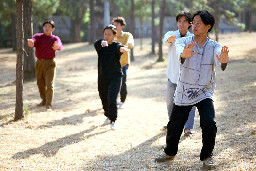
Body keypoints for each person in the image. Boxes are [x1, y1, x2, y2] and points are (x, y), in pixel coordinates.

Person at [155, 10, 229, 168]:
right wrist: (184, 54)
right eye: (193, 22)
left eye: (198, 23)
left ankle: (207, 156)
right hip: (185, 89)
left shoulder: (215, 46)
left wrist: (223, 61)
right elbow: (180, 51)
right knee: (175, 124)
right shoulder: (184, 41)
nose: (194, 25)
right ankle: (169, 152)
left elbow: (219, 58)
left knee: (209, 123)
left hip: (204, 91)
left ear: (208, 26)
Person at [163, 11, 196, 136]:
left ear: (189, 24)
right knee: (170, 102)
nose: (181, 24)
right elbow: (166, 40)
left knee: (190, 102)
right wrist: (171, 39)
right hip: (172, 76)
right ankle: (173, 124)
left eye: (184, 22)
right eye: (179, 21)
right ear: (177, 22)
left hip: (188, 77)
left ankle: (188, 128)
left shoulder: (192, 38)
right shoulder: (171, 34)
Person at [94, 24, 130, 130]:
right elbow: (98, 44)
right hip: (102, 77)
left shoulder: (116, 46)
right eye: (105, 34)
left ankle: (113, 120)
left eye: (109, 34)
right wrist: (102, 43)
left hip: (116, 76)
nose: (107, 36)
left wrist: (123, 49)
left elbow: (120, 48)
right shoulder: (99, 45)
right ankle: (108, 116)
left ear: (114, 35)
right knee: (103, 97)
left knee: (112, 97)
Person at [27, 20, 62, 111]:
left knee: (49, 84)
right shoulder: (38, 36)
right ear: (43, 27)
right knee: (40, 83)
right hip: (39, 63)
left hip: (50, 63)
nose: (47, 28)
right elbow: (33, 40)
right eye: (45, 26)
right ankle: (44, 100)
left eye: (49, 26)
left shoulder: (55, 38)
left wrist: (57, 47)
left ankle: (48, 104)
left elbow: (59, 45)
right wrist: (31, 42)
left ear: (53, 29)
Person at [112, 17, 134, 109]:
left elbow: (130, 43)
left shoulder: (126, 35)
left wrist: (124, 46)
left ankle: (122, 101)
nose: (114, 27)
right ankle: (115, 98)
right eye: (113, 25)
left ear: (121, 26)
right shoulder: (111, 36)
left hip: (123, 63)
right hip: (113, 64)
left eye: (116, 25)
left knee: (123, 82)